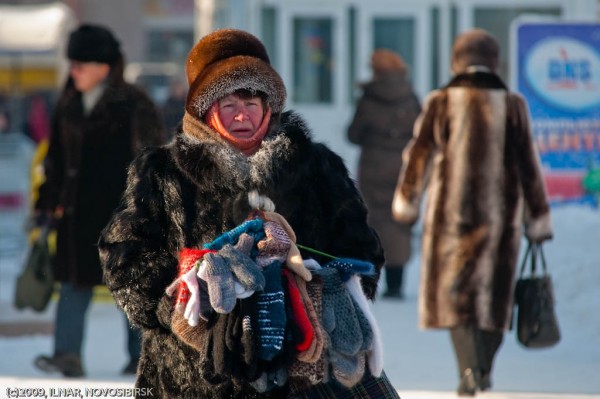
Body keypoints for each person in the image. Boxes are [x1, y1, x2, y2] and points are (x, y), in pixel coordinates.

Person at [98, 29, 401, 398]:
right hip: (194, 377)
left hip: (301, 370)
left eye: (252, 102)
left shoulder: (317, 167)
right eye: (229, 104)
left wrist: (324, 293)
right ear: (206, 111)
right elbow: (122, 255)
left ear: (268, 108)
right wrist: (180, 305)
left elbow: (361, 248)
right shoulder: (161, 172)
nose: (242, 114)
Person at [391, 28, 553, 396]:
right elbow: (530, 166)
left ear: (456, 61)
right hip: (500, 219)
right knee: (494, 300)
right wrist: (537, 218)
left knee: (457, 300)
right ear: (495, 62)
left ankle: (467, 368)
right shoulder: (513, 105)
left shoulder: (441, 101)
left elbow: (419, 156)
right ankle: (481, 368)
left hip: (452, 217)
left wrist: (407, 201)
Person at [33, 24, 166, 377]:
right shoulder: (68, 103)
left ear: (104, 66)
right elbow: (57, 161)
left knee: (131, 287)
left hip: (121, 217)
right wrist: (47, 202)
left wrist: (147, 211)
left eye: (80, 64)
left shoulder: (135, 104)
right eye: (71, 63)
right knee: (73, 286)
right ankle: (66, 355)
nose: (73, 71)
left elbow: (153, 162)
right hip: (76, 218)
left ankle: (141, 358)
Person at [347, 49, 421, 299]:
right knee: (399, 219)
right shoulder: (410, 97)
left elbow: (353, 134)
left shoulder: (369, 98)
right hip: (403, 164)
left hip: (373, 165)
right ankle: (397, 283)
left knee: (374, 219)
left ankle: (372, 280)